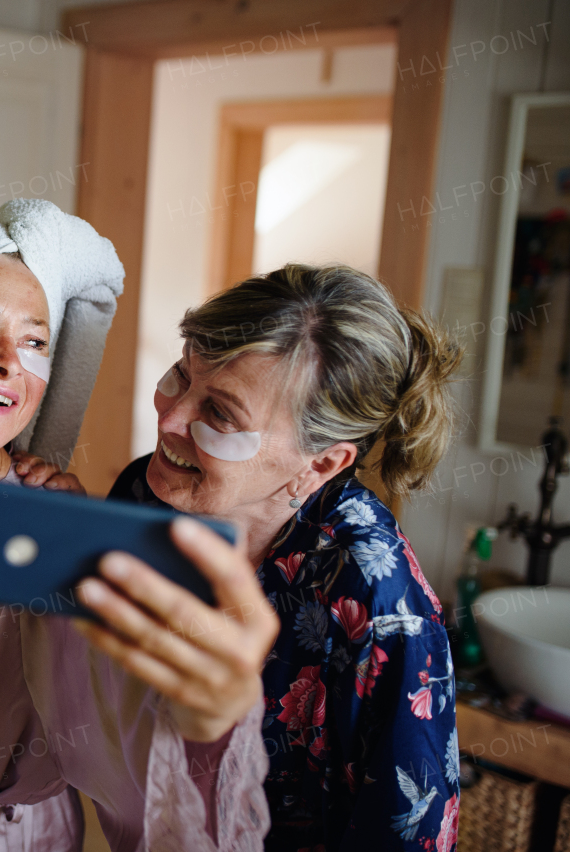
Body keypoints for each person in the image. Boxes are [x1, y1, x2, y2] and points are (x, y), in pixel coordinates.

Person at [0, 199, 277, 852]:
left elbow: (134, 737)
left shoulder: (53, 540)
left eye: (36, 341)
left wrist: (209, 714)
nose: (10, 359)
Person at [104, 264, 462, 851]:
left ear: (320, 465)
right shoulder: (146, 496)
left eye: (219, 414)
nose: (167, 420)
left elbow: (406, 833)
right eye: (179, 374)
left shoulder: (380, 603)